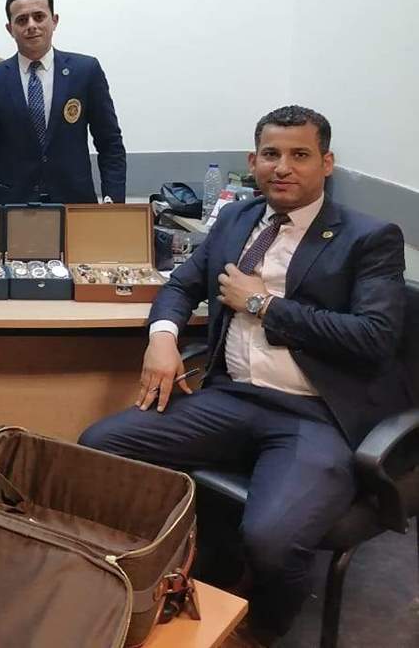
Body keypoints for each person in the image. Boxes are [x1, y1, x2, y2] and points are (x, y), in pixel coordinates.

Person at [79, 105, 409, 646]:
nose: (283, 167)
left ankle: (261, 629)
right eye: (271, 154)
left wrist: (262, 304)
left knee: (272, 541)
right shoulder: (237, 219)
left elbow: (373, 338)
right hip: (231, 398)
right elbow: (181, 285)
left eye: (300, 155)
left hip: (315, 415)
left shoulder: (369, 238)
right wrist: (162, 337)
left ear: (326, 163)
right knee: (99, 448)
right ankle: (171, 569)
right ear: (253, 161)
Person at [0, 0, 126, 204]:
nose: (31, 25)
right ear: (10, 29)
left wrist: (113, 201)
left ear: (54, 21)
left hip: (74, 201)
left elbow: (110, 143)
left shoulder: (85, 71)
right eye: (22, 20)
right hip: (13, 204)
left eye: (39, 17)